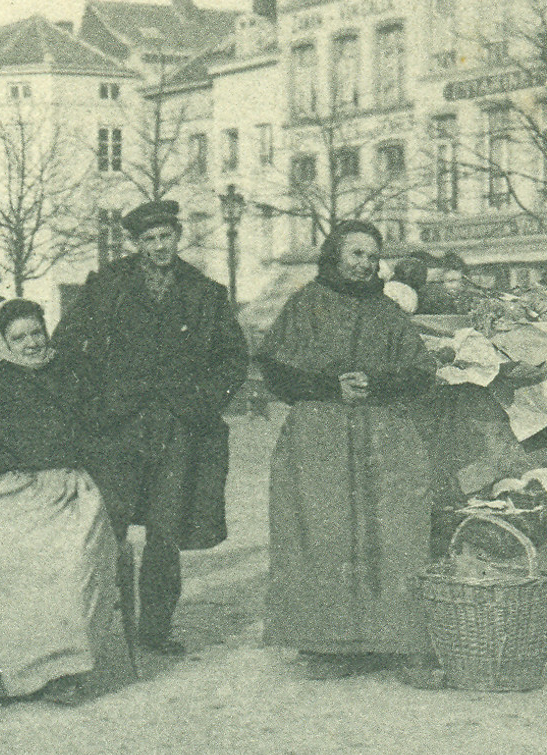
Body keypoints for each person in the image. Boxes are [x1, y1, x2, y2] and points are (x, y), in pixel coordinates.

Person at [54, 199, 250, 656]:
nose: (160, 247)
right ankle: (100, 627)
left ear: (177, 237)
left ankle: (155, 632)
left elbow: (233, 359)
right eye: (150, 240)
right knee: (110, 528)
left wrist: (200, 402)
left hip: (177, 429)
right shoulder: (109, 286)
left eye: (166, 237)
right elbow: (68, 344)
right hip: (117, 428)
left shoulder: (204, 293)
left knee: (165, 533)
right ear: (136, 243)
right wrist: (95, 403)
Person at [256, 220, 442, 687]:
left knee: (393, 533)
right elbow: (275, 369)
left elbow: (421, 372)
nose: (364, 263)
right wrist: (327, 385)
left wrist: (377, 383)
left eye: (371, 255)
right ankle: (329, 643)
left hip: (383, 438)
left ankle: (394, 638)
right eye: (355, 253)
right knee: (324, 532)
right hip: (318, 437)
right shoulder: (305, 304)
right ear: (335, 256)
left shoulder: (388, 312)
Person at [0, 300, 135, 704]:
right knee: (9, 555)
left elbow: (93, 433)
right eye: (19, 337)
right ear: (1, 341)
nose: (31, 344)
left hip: (65, 487)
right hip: (5, 490)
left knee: (71, 557)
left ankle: (62, 672)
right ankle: (9, 672)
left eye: (37, 333)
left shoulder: (68, 375)